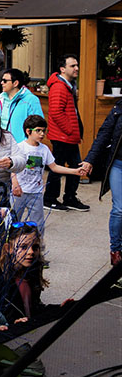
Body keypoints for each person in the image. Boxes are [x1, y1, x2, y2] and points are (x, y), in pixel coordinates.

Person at [11, 115, 84, 248]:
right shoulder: (19, 148)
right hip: (19, 193)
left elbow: (54, 167)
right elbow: (12, 169)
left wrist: (74, 171)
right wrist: (15, 184)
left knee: (38, 225)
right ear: (28, 131)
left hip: (36, 193)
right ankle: (11, 251)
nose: (42, 134)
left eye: (44, 131)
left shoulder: (44, 149)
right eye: (38, 130)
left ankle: (37, 253)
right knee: (13, 222)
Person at [80, 97, 122, 266]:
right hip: (118, 164)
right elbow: (104, 134)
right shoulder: (119, 108)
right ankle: (116, 251)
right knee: (119, 209)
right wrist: (90, 160)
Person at [45, 54, 88, 212]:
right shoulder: (59, 87)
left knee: (75, 166)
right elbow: (56, 112)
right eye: (72, 66)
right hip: (62, 136)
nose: (76, 68)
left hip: (68, 136)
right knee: (58, 168)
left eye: (77, 65)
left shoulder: (68, 85)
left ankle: (69, 197)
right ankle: (50, 198)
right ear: (62, 69)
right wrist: (70, 130)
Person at [0, 223, 46, 324]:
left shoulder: (31, 273)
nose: (30, 252)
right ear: (8, 249)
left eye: (35, 247)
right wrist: (14, 322)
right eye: (23, 247)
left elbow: (35, 308)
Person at [0, 68, 43, 144]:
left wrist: (28, 144)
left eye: (5, 81)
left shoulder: (31, 100)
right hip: (1, 144)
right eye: (1, 80)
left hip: (21, 147)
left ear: (15, 83)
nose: (1, 83)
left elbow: (38, 125)